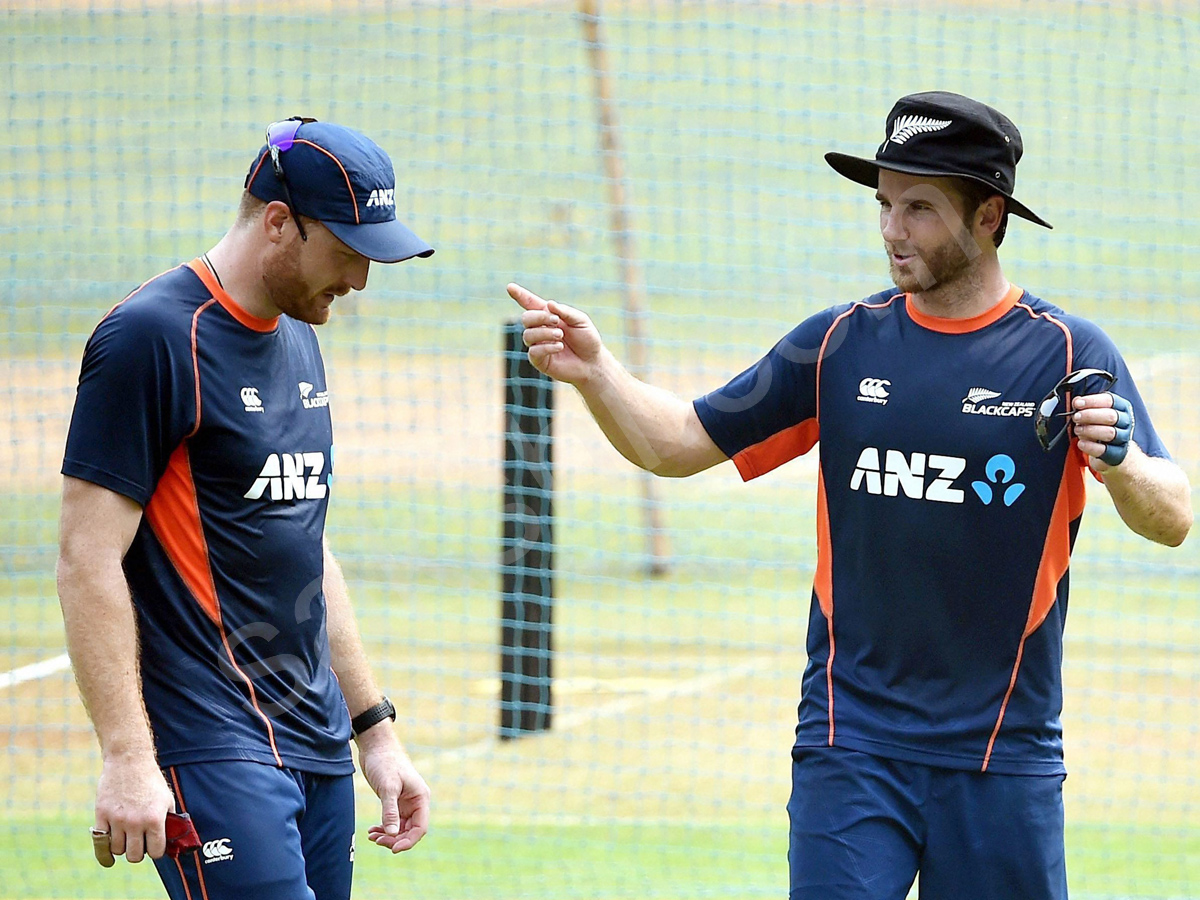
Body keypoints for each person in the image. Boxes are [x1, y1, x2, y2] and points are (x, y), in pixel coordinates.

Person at [509, 91, 1192, 900]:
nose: (891, 229)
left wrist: (1119, 462)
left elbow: (1174, 516)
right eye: (883, 204)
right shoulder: (837, 343)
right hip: (850, 740)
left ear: (990, 217)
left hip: (1003, 752)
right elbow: (678, 442)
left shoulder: (1068, 350)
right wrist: (596, 373)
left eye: (919, 208)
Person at [57, 117, 434, 900]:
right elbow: (85, 557)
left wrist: (375, 729)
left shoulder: (299, 333)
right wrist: (127, 754)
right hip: (210, 744)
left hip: (319, 746)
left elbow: (304, 543)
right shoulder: (152, 339)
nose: (360, 282)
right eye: (350, 254)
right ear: (278, 223)